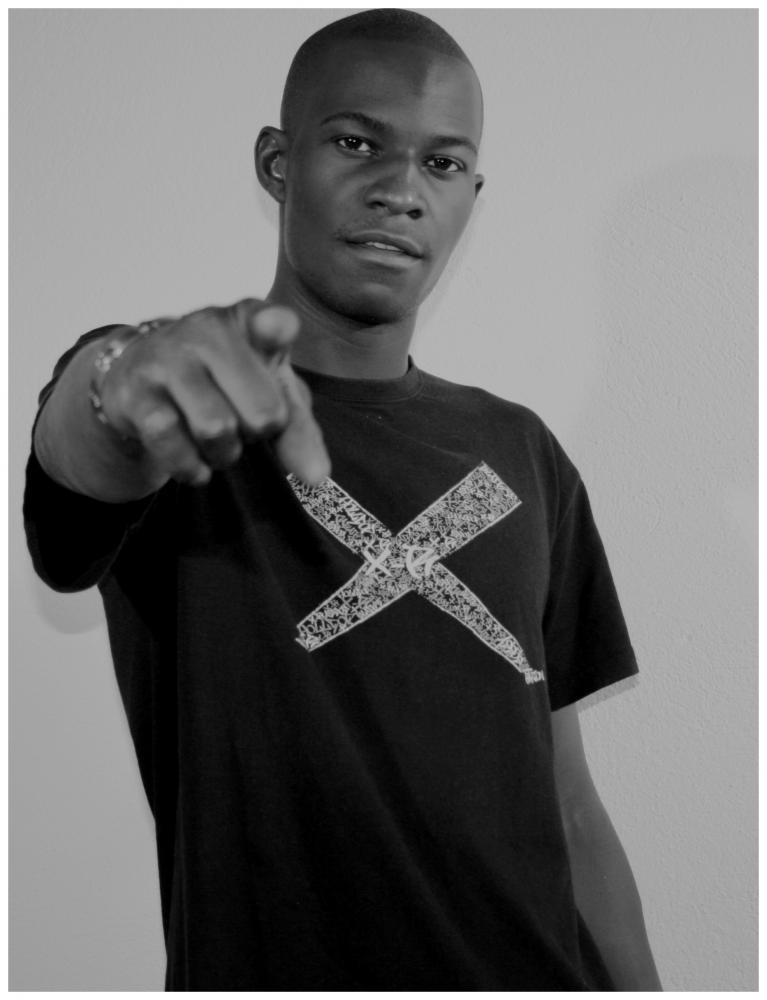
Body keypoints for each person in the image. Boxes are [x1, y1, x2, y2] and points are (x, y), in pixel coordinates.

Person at [24, 9, 662, 992]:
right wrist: (117, 375)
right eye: (357, 143)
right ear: (278, 162)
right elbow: (85, 449)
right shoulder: (187, 406)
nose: (401, 190)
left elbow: (568, 803)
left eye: (442, 163)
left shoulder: (520, 451)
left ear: (471, 195)